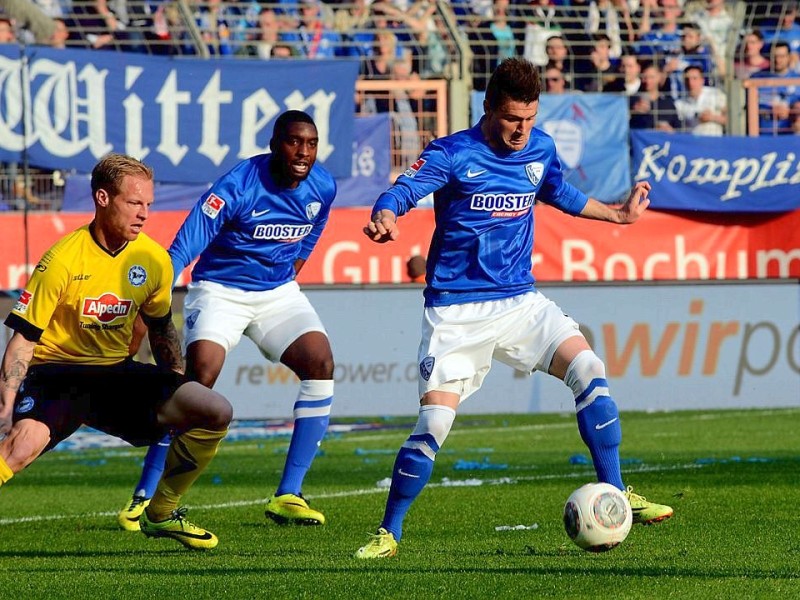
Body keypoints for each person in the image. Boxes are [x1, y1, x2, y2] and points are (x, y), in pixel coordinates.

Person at [354, 57, 673, 559]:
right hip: (456, 312)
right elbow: (405, 189)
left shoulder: (540, 147)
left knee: (589, 369)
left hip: (520, 300)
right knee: (434, 425)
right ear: (488, 108)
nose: (522, 130)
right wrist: (385, 214)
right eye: (511, 119)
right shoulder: (454, 152)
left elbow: (557, 192)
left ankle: (618, 492)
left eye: (529, 118)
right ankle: (389, 532)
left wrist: (617, 214)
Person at [0, 153, 233, 550]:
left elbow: (161, 329)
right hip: (58, 374)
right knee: (20, 446)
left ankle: (161, 513)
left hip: (115, 374)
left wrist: (175, 384)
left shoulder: (153, 259)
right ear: (103, 198)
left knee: (214, 410)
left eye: (148, 205)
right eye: (134, 203)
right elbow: (23, 340)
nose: (144, 214)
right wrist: (4, 410)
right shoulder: (62, 259)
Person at [118, 110, 336, 529]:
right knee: (199, 381)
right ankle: (145, 495)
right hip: (220, 290)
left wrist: (299, 260)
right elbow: (186, 244)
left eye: (310, 144)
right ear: (274, 144)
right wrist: (153, 296)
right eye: (294, 142)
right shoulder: (237, 186)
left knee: (320, 363)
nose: (303, 152)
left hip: (276, 293)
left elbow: (316, 222)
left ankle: (289, 494)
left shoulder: (323, 184)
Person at [674, 65, 727, 136]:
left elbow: (731, 119)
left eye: (694, 78)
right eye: (687, 79)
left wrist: (712, 117)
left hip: (714, 141)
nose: (690, 82)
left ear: (702, 80)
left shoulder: (715, 94)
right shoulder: (680, 103)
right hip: (692, 143)